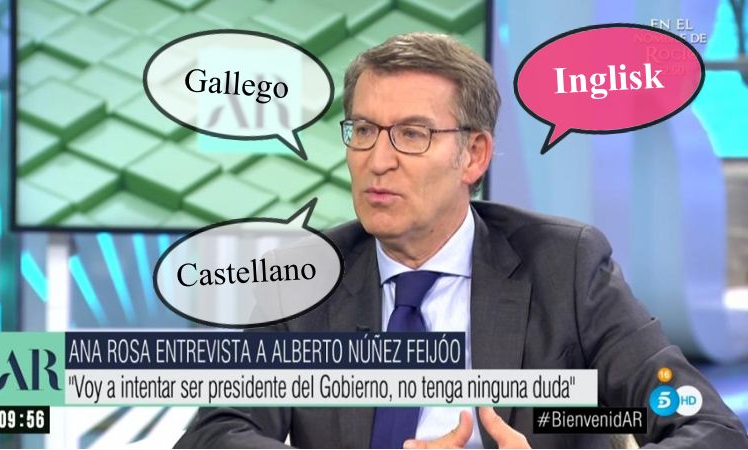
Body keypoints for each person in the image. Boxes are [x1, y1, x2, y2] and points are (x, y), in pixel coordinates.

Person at [176, 32, 748, 448]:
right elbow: (217, 430)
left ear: (473, 155)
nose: (378, 160)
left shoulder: (566, 267)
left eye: (412, 135)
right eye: (364, 130)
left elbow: (708, 426)